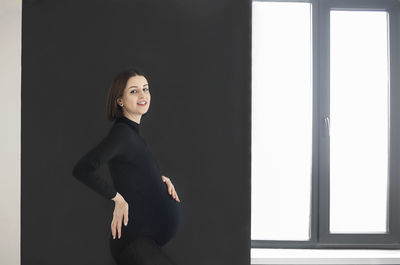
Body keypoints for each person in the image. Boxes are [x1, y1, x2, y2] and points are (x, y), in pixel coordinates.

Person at [72, 68, 183, 265]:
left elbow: (133, 172)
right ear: (120, 101)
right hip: (133, 243)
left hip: (145, 242)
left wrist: (159, 179)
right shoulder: (122, 134)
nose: (143, 95)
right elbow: (83, 169)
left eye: (145, 89)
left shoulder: (132, 134)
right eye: (134, 91)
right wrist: (117, 199)